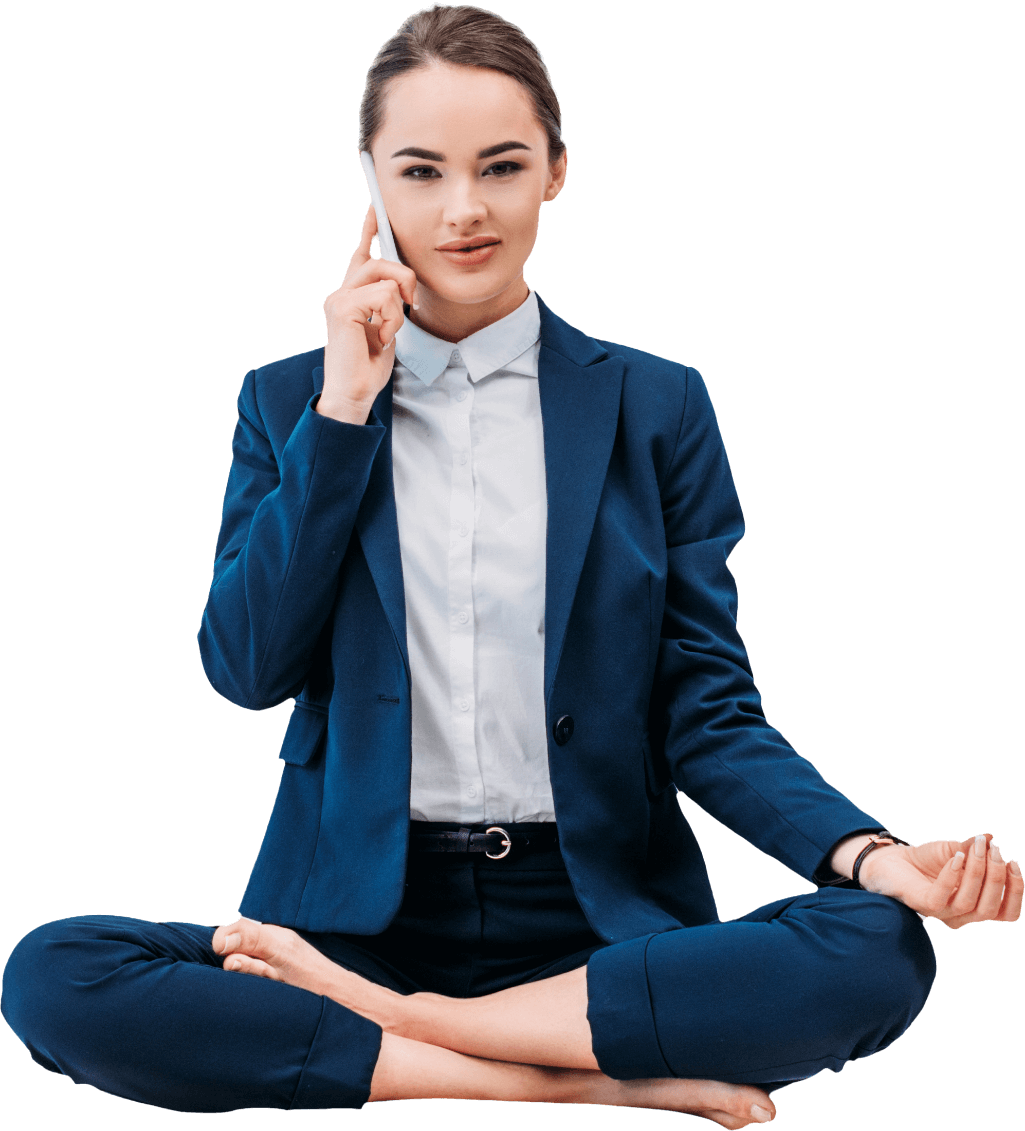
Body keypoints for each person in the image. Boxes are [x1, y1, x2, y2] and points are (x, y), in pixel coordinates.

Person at [2, 5, 1020, 1123]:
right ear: (369, 180)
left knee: (878, 951)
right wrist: (345, 407)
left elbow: (707, 710)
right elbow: (247, 670)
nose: (463, 209)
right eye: (421, 171)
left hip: (596, 925)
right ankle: (597, 1090)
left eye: (500, 166)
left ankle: (411, 1035)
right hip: (350, 916)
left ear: (557, 171)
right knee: (56, 973)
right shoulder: (289, 396)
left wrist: (875, 858)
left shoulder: (655, 403)